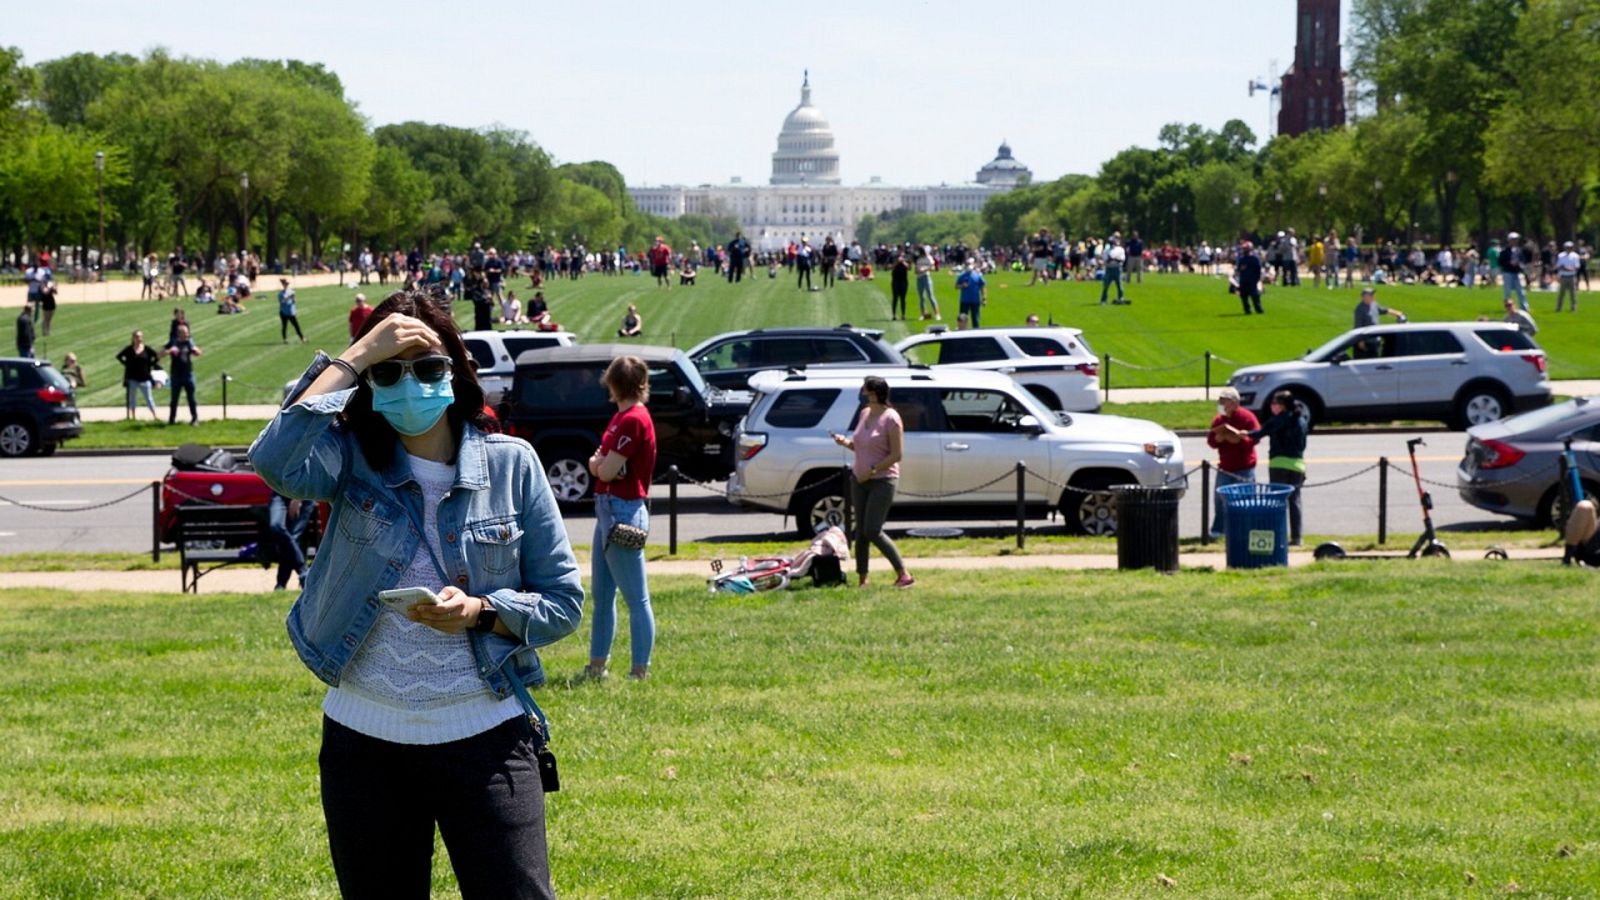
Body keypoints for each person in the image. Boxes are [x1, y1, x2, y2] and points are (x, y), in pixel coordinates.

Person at [248, 290, 582, 898]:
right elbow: (273, 459)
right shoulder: (349, 462)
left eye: (428, 368)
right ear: (370, 384)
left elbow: (563, 604)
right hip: (365, 742)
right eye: (390, 371)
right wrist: (356, 355)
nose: (411, 383)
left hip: (487, 732)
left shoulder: (514, 465)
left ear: (455, 373)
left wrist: (481, 613)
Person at [584, 356, 657, 681]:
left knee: (636, 598)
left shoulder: (632, 419)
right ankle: (597, 665)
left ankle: (639, 670)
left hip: (622, 510)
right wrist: (599, 464)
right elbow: (597, 464)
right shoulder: (623, 417)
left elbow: (606, 467)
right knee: (602, 596)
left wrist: (599, 464)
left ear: (612, 383)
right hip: (609, 509)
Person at [831, 376, 914, 588]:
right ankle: (862, 579)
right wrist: (845, 443)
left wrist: (873, 470)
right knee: (860, 531)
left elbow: (897, 455)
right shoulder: (865, 413)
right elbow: (862, 446)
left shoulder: (891, 418)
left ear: (876, 394)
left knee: (872, 529)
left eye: (865, 392)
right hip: (859, 479)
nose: (862, 395)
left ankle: (903, 574)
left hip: (882, 480)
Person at [1230, 390, 1310, 546]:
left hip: (1279, 464)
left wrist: (1243, 433)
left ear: (1282, 406)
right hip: (1298, 465)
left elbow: (1259, 433)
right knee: (1295, 501)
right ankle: (1297, 538)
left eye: (1274, 403)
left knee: (1277, 501)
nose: (1272, 406)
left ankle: (1278, 535)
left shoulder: (1278, 420)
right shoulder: (1301, 420)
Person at [1206, 387, 1260, 539]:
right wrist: (1218, 439)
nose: (1221, 404)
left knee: (1246, 501)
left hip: (1244, 467)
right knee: (1220, 500)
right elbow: (1211, 440)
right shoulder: (1219, 419)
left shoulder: (1247, 417)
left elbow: (1255, 438)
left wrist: (1240, 440)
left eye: (1225, 401)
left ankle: (1246, 529)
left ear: (1235, 402)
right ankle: (1218, 530)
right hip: (1225, 467)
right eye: (1220, 401)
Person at [163, 322, 203, 426]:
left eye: (187, 333)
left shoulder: (189, 343)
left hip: (188, 375)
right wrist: (169, 351)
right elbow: (160, 354)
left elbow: (199, 353)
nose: (186, 335)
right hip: (176, 375)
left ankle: (195, 418)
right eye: (184, 333)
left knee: (191, 399)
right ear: (179, 334)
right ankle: (172, 419)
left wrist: (196, 350)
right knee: (174, 400)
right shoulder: (173, 343)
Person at [116, 330, 161, 420]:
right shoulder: (129, 349)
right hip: (133, 378)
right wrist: (126, 364)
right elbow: (119, 356)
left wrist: (151, 364)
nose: (139, 339)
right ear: (133, 338)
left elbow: (156, 356)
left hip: (145, 378)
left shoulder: (147, 349)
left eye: (140, 336)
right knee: (132, 399)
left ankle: (155, 416)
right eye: (136, 337)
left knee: (149, 398)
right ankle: (133, 417)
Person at [1501, 231, 1528, 311]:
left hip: (1517, 272)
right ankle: (1508, 306)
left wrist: (1519, 264)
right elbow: (1501, 261)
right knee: (1507, 291)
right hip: (1508, 272)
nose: (1515, 241)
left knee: (1521, 291)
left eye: (1516, 239)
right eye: (1513, 239)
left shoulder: (1519, 250)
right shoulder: (1505, 251)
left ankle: (1524, 307)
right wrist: (1509, 263)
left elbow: (1523, 260)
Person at [955, 259, 986, 328]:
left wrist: (984, 298)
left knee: (976, 319)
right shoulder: (961, 276)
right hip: (964, 301)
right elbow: (956, 286)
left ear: (973, 265)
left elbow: (982, 287)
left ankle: (976, 334)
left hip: (975, 301)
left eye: (970, 264)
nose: (968, 265)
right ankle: (962, 333)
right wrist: (962, 285)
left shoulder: (977, 275)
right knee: (962, 319)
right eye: (967, 264)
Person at [1234, 241, 1263, 314]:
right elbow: (1239, 269)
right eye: (1244, 249)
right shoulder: (1241, 259)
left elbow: (1258, 269)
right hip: (1243, 280)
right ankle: (1247, 310)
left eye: (1246, 249)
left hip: (1252, 280)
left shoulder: (1254, 259)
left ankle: (1258, 308)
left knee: (1255, 295)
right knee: (1244, 296)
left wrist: (1257, 278)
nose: (1244, 250)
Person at [915, 246, 940, 320]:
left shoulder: (928, 258)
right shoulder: (919, 259)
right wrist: (918, 270)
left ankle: (937, 314)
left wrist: (925, 269)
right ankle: (923, 314)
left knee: (931, 296)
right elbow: (916, 270)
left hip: (926, 277)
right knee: (922, 298)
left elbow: (933, 268)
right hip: (919, 278)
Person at [1099, 237, 1127, 305]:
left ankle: (1121, 298)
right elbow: (1105, 260)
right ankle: (1103, 300)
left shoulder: (1120, 249)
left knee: (1119, 285)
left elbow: (1122, 259)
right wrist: (1112, 259)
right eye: (1111, 242)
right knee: (1106, 285)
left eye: (1113, 242)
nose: (1112, 244)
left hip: (1117, 268)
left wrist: (1113, 259)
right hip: (1109, 269)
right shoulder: (1106, 250)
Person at [1556, 241, 1581, 312]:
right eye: (1567, 247)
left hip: (1572, 276)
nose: (1568, 249)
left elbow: (1576, 267)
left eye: (1570, 247)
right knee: (1561, 294)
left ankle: (1573, 308)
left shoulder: (1575, 256)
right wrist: (1568, 268)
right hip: (1563, 276)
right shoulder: (1560, 255)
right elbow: (1559, 266)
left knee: (1573, 294)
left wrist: (1567, 268)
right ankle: (1558, 308)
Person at [278, 278, 305, 343]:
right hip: (284, 312)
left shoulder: (292, 291)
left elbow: (294, 301)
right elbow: (281, 302)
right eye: (286, 284)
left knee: (296, 326)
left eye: (287, 284)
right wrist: (288, 298)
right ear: (283, 284)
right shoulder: (280, 293)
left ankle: (302, 338)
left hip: (291, 312)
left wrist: (293, 299)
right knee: (284, 326)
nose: (287, 285)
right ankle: (285, 339)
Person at [889, 254, 910, 320]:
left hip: (903, 282)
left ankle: (903, 315)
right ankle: (894, 315)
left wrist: (903, 262)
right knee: (895, 299)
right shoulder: (894, 261)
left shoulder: (905, 263)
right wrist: (897, 262)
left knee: (903, 299)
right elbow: (890, 267)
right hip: (895, 282)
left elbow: (908, 267)